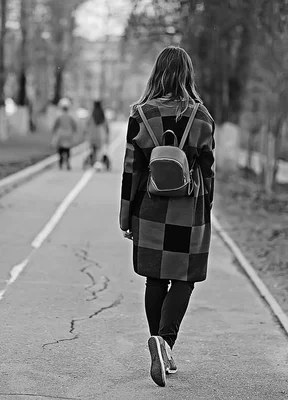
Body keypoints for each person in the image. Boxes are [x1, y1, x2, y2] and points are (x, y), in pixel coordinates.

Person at [119, 46, 215, 387]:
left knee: (155, 279)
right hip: (190, 208)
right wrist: (207, 212)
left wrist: (126, 217)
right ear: (187, 74)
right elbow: (208, 169)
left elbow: (131, 170)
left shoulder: (140, 114)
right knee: (184, 278)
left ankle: (159, 346)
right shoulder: (201, 116)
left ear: (156, 73)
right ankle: (164, 344)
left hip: (150, 208)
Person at [51, 98, 78, 170]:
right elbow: (74, 126)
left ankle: (61, 162)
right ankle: (68, 162)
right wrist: (74, 132)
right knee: (68, 149)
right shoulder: (70, 117)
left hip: (61, 135)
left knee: (60, 149)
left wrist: (54, 132)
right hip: (68, 135)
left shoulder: (59, 117)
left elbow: (55, 126)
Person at [83, 100, 110, 170]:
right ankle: (98, 164)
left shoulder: (92, 114)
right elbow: (106, 126)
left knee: (92, 149)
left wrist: (86, 133)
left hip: (92, 135)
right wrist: (107, 135)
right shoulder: (102, 115)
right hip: (100, 136)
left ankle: (92, 162)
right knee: (99, 151)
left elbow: (86, 124)